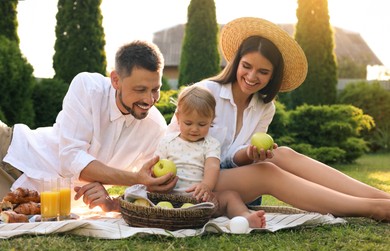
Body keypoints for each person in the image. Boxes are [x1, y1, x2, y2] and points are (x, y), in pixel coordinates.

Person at [77, 17, 390, 222]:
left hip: (233, 181)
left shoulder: (265, 108)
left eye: (263, 72)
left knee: (282, 154)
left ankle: (381, 197)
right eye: (247, 66)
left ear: (273, 76)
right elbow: (176, 145)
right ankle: (374, 209)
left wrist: (250, 154)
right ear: (236, 62)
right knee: (267, 170)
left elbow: (238, 158)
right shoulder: (205, 92)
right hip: (193, 181)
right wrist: (247, 157)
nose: (252, 77)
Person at [0, 40, 178, 205]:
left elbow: (144, 190)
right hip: (14, 152)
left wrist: (112, 202)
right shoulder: (89, 87)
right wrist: (134, 178)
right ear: (116, 80)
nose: (149, 99)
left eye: (156, 89)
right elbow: (71, 159)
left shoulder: (155, 128)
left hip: (44, 200)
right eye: (140, 90)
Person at [154, 85, 265, 228]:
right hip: (170, 197)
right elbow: (156, 165)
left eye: (202, 124)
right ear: (178, 117)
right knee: (147, 196)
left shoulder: (211, 144)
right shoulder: (167, 141)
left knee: (230, 196)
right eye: (188, 123)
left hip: (201, 199)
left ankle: (245, 217)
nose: (194, 129)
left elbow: (212, 167)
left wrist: (206, 186)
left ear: (211, 120)